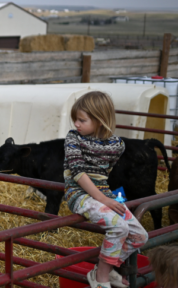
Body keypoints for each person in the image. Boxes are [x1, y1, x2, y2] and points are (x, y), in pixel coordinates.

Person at [64, 91, 149, 288]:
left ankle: (104, 270)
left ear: (100, 120)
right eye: (75, 119)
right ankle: (101, 279)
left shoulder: (116, 145)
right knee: (119, 227)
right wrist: (105, 200)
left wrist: (106, 198)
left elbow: (104, 173)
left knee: (140, 236)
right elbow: (77, 173)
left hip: (103, 194)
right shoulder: (73, 138)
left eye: (81, 120)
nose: (76, 124)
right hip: (79, 195)